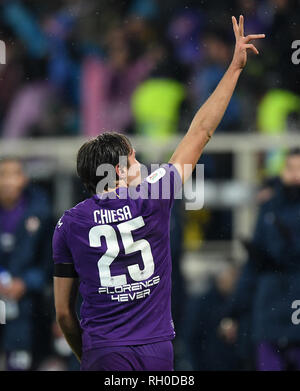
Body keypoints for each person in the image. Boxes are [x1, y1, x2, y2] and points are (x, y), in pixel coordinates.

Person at [52, 15, 265, 371]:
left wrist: (88, 356)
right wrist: (234, 68)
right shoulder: (154, 196)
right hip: (155, 351)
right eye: (134, 159)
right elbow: (201, 131)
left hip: (102, 351)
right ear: (119, 170)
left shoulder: (68, 224)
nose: (142, 166)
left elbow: (63, 313)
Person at [221, 148, 300, 371]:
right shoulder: (269, 208)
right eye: (290, 168)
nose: (294, 175)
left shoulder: (270, 207)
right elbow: (252, 267)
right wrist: (233, 312)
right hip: (271, 306)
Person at [0, 157, 52, 370]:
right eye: (3, 175)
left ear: (24, 179)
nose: (8, 182)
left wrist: (26, 282)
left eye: (13, 175)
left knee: (21, 360)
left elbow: (51, 263)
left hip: (28, 308)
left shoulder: (41, 213)